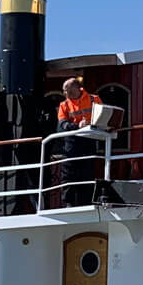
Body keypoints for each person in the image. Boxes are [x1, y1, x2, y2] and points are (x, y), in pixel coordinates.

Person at [54, 78, 101, 206]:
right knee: (68, 174)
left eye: (67, 90)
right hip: (72, 143)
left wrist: (91, 124)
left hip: (89, 140)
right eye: (64, 91)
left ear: (76, 88)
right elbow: (62, 125)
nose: (65, 93)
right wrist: (77, 126)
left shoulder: (94, 100)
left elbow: (103, 117)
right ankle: (69, 204)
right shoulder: (64, 105)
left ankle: (86, 203)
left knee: (87, 173)